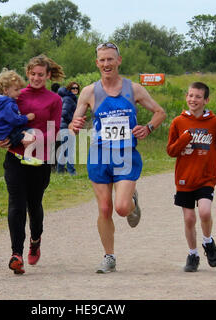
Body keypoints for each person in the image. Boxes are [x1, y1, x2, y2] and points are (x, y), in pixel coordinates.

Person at [68, 42, 166, 273]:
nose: (106, 64)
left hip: (125, 155)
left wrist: (148, 128)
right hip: (99, 155)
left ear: (119, 61)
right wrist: (75, 124)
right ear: (97, 63)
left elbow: (160, 112)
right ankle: (109, 256)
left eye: (110, 59)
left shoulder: (134, 89)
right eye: (102, 60)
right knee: (104, 208)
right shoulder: (89, 92)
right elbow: (74, 123)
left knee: (121, 208)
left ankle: (132, 203)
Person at [0, 54, 64, 274]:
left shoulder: (54, 100)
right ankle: (16, 254)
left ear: (48, 75)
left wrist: (33, 137)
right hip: (15, 157)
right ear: (27, 73)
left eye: (40, 75)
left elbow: (54, 131)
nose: (36, 78)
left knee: (34, 205)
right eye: (32, 74)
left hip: (40, 160)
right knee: (16, 204)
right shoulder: (15, 94)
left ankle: (35, 239)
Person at [167, 81, 216, 272]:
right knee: (189, 219)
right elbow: (171, 151)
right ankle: (193, 254)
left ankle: (208, 242)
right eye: (190, 95)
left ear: (206, 100)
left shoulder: (214, 123)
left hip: (206, 178)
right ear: (186, 97)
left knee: (205, 212)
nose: (193, 99)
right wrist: (184, 138)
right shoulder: (178, 122)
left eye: (198, 96)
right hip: (184, 179)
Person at [0, 68, 39, 165]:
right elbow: (14, 120)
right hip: (6, 132)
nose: (19, 92)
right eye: (16, 90)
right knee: (29, 133)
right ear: (6, 90)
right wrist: (27, 118)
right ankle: (27, 157)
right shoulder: (8, 105)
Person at [57, 81, 80, 175]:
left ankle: (60, 171)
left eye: (77, 88)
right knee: (69, 150)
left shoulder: (71, 98)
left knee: (65, 149)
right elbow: (64, 113)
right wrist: (73, 122)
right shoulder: (68, 99)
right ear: (69, 89)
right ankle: (71, 171)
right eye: (73, 88)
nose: (75, 90)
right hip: (66, 127)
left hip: (65, 126)